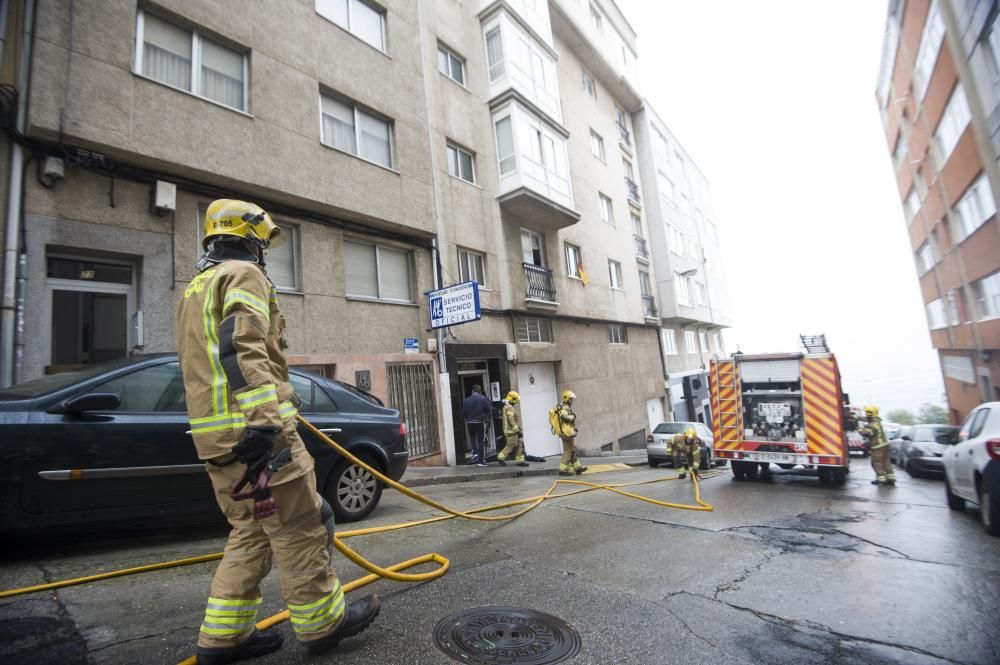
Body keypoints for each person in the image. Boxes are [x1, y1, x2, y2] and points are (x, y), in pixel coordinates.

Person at [177, 199, 380, 665]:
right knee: (301, 528)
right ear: (247, 237)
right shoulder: (242, 276)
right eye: (262, 240)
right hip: (257, 439)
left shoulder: (195, 288)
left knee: (249, 532)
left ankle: (222, 640)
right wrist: (266, 421)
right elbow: (241, 346)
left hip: (216, 441)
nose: (264, 250)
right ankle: (322, 625)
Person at [554, 390, 587, 476]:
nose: (572, 400)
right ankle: (563, 470)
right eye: (571, 399)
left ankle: (578, 468)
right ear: (567, 399)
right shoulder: (565, 408)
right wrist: (573, 416)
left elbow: (566, 423)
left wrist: (573, 429)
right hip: (566, 434)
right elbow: (564, 417)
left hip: (567, 433)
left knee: (572, 451)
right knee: (568, 451)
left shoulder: (564, 407)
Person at [860, 405, 895, 486]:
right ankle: (891, 479)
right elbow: (866, 419)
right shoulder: (877, 421)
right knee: (886, 463)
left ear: (870, 413)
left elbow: (866, 433)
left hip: (878, 447)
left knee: (877, 463)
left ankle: (881, 480)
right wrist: (856, 417)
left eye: (866, 412)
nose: (865, 414)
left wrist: (857, 428)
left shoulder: (872, 425)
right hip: (885, 445)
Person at [496, 391, 529, 467]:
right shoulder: (509, 408)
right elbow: (511, 420)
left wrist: (518, 428)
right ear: (513, 399)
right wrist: (517, 431)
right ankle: (500, 458)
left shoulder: (506, 406)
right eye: (516, 400)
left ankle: (520, 461)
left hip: (511, 430)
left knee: (519, 444)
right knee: (511, 445)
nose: (516, 402)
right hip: (511, 431)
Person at [462, 384, 492, 466]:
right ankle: (481, 461)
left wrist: (467, 419)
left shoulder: (466, 400)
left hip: (470, 422)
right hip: (479, 422)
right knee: (480, 440)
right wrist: (485, 419)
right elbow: (488, 410)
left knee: (472, 437)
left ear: (472, 391)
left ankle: (475, 453)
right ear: (480, 392)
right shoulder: (483, 399)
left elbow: (464, 412)